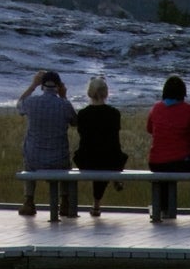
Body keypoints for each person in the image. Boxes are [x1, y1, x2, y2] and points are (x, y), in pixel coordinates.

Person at [17, 70, 77, 218]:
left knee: (28, 157)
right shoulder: (64, 105)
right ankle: (65, 202)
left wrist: (32, 85)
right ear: (58, 86)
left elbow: (19, 106)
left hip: (34, 160)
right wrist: (64, 97)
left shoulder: (32, 103)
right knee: (65, 163)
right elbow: (75, 122)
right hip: (59, 160)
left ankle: (29, 201)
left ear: (42, 86)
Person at [146, 75, 190, 222]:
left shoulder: (156, 108)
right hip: (180, 162)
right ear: (183, 93)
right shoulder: (189, 110)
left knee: (163, 176)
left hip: (156, 162)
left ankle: (162, 208)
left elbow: (150, 129)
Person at [74, 76, 125, 217]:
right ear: (106, 93)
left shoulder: (83, 114)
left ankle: (96, 206)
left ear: (89, 93)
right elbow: (114, 140)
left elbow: (83, 136)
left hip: (86, 159)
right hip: (110, 159)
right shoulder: (114, 114)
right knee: (111, 156)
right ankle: (98, 202)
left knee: (94, 154)